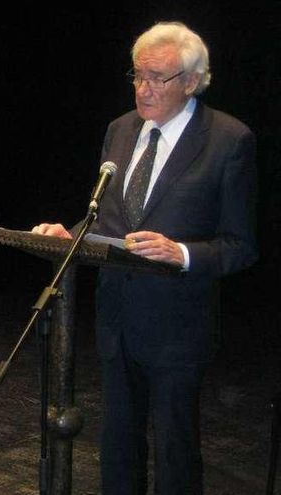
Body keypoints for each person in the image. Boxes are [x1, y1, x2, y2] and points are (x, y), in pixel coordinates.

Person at [32, 22, 257, 494]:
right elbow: (105, 219)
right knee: (117, 447)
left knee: (175, 452)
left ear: (192, 81)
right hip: (116, 322)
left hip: (179, 327)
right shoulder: (119, 130)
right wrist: (67, 235)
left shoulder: (228, 140)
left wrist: (183, 254)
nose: (143, 88)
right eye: (137, 75)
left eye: (157, 77)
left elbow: (242, 246)